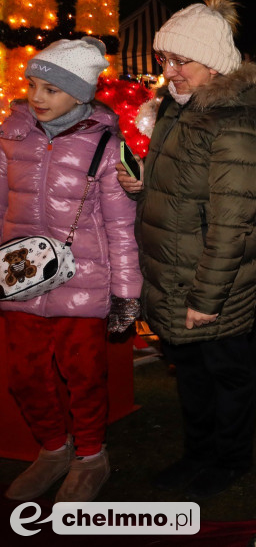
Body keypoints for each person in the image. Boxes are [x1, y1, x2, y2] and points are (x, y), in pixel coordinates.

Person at [118, 0, 256, 500]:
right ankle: (198, 453)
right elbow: (186, 184)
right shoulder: (178, 105)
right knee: (190, 373)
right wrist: (145, 185)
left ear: (213, 62)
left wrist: (206, 298)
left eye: (181, 61)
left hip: (213, 281)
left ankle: (230, 460)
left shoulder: (236, 116)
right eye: (165, 60)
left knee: (227, 373)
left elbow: (234, 219)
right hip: (176, 270)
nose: (170, 72)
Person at [2, 38, 141, 503]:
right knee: (24, 374)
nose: (37, 97)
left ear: (79, 94)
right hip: (19, 279)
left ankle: (89, 457)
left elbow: (121, 226)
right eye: (33, 85)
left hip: (84, 282)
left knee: (83, 376)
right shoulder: (12, 133)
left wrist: (126, 293)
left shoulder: (105, 143)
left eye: (51, 89)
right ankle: (52, 450)